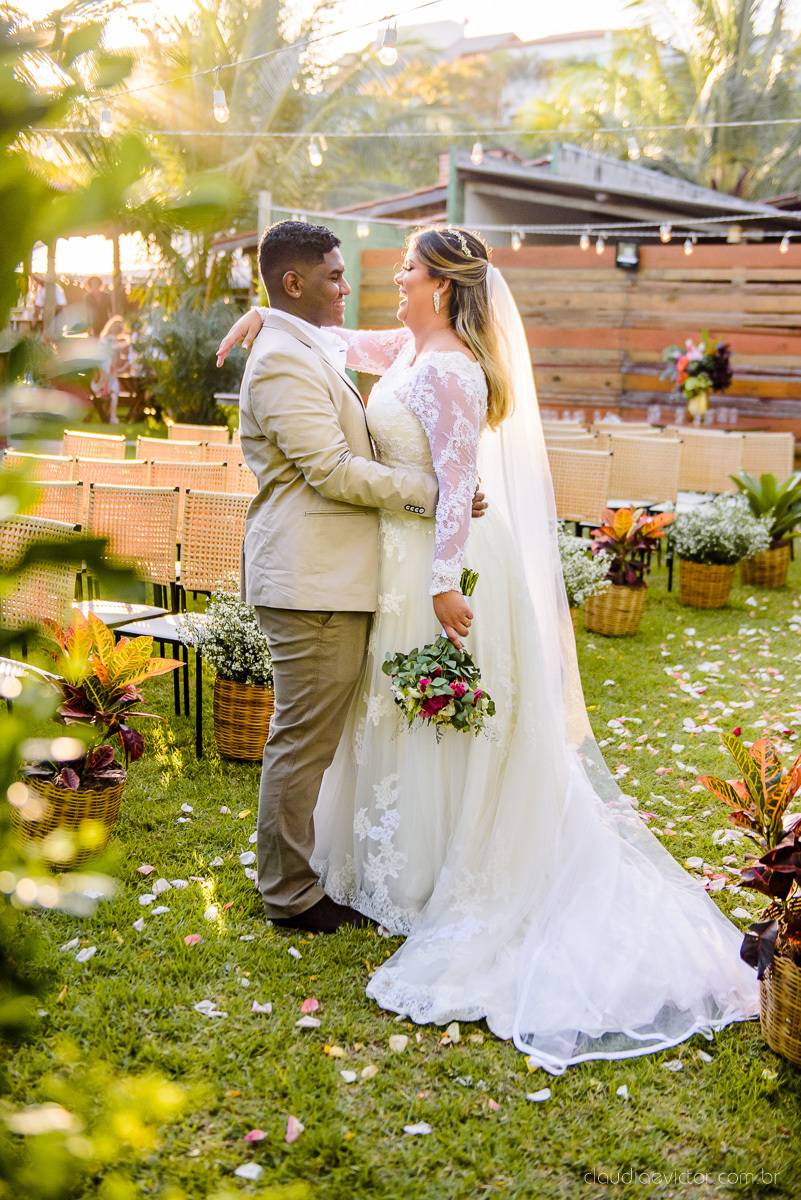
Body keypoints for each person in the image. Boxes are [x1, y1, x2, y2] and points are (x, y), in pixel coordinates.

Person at [218, 224, 757, 1074]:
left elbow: (460, 485)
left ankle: (445, 869)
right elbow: (345, 340)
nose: (387, 279)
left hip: (444, 565)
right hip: (391, 561)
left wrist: (439, 582)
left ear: (440, 285)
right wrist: (265, 311)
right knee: (391, 714)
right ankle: (383, 866)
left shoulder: (454, 369)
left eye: (405, 270)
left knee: (442, 716)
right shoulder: (409, 342)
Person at [230, 221, 486, 937]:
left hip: (347, 575)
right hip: (312, 579)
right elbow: (332, 471)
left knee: (319, 734)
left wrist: (263, 315)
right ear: (293, 283)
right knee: (304, 737)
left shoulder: (302, 341)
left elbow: (371, 347)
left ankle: (305, 871)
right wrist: (435, 490)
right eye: (335, 277)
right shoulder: (283, 359)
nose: (350, 287)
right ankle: (289, 892)